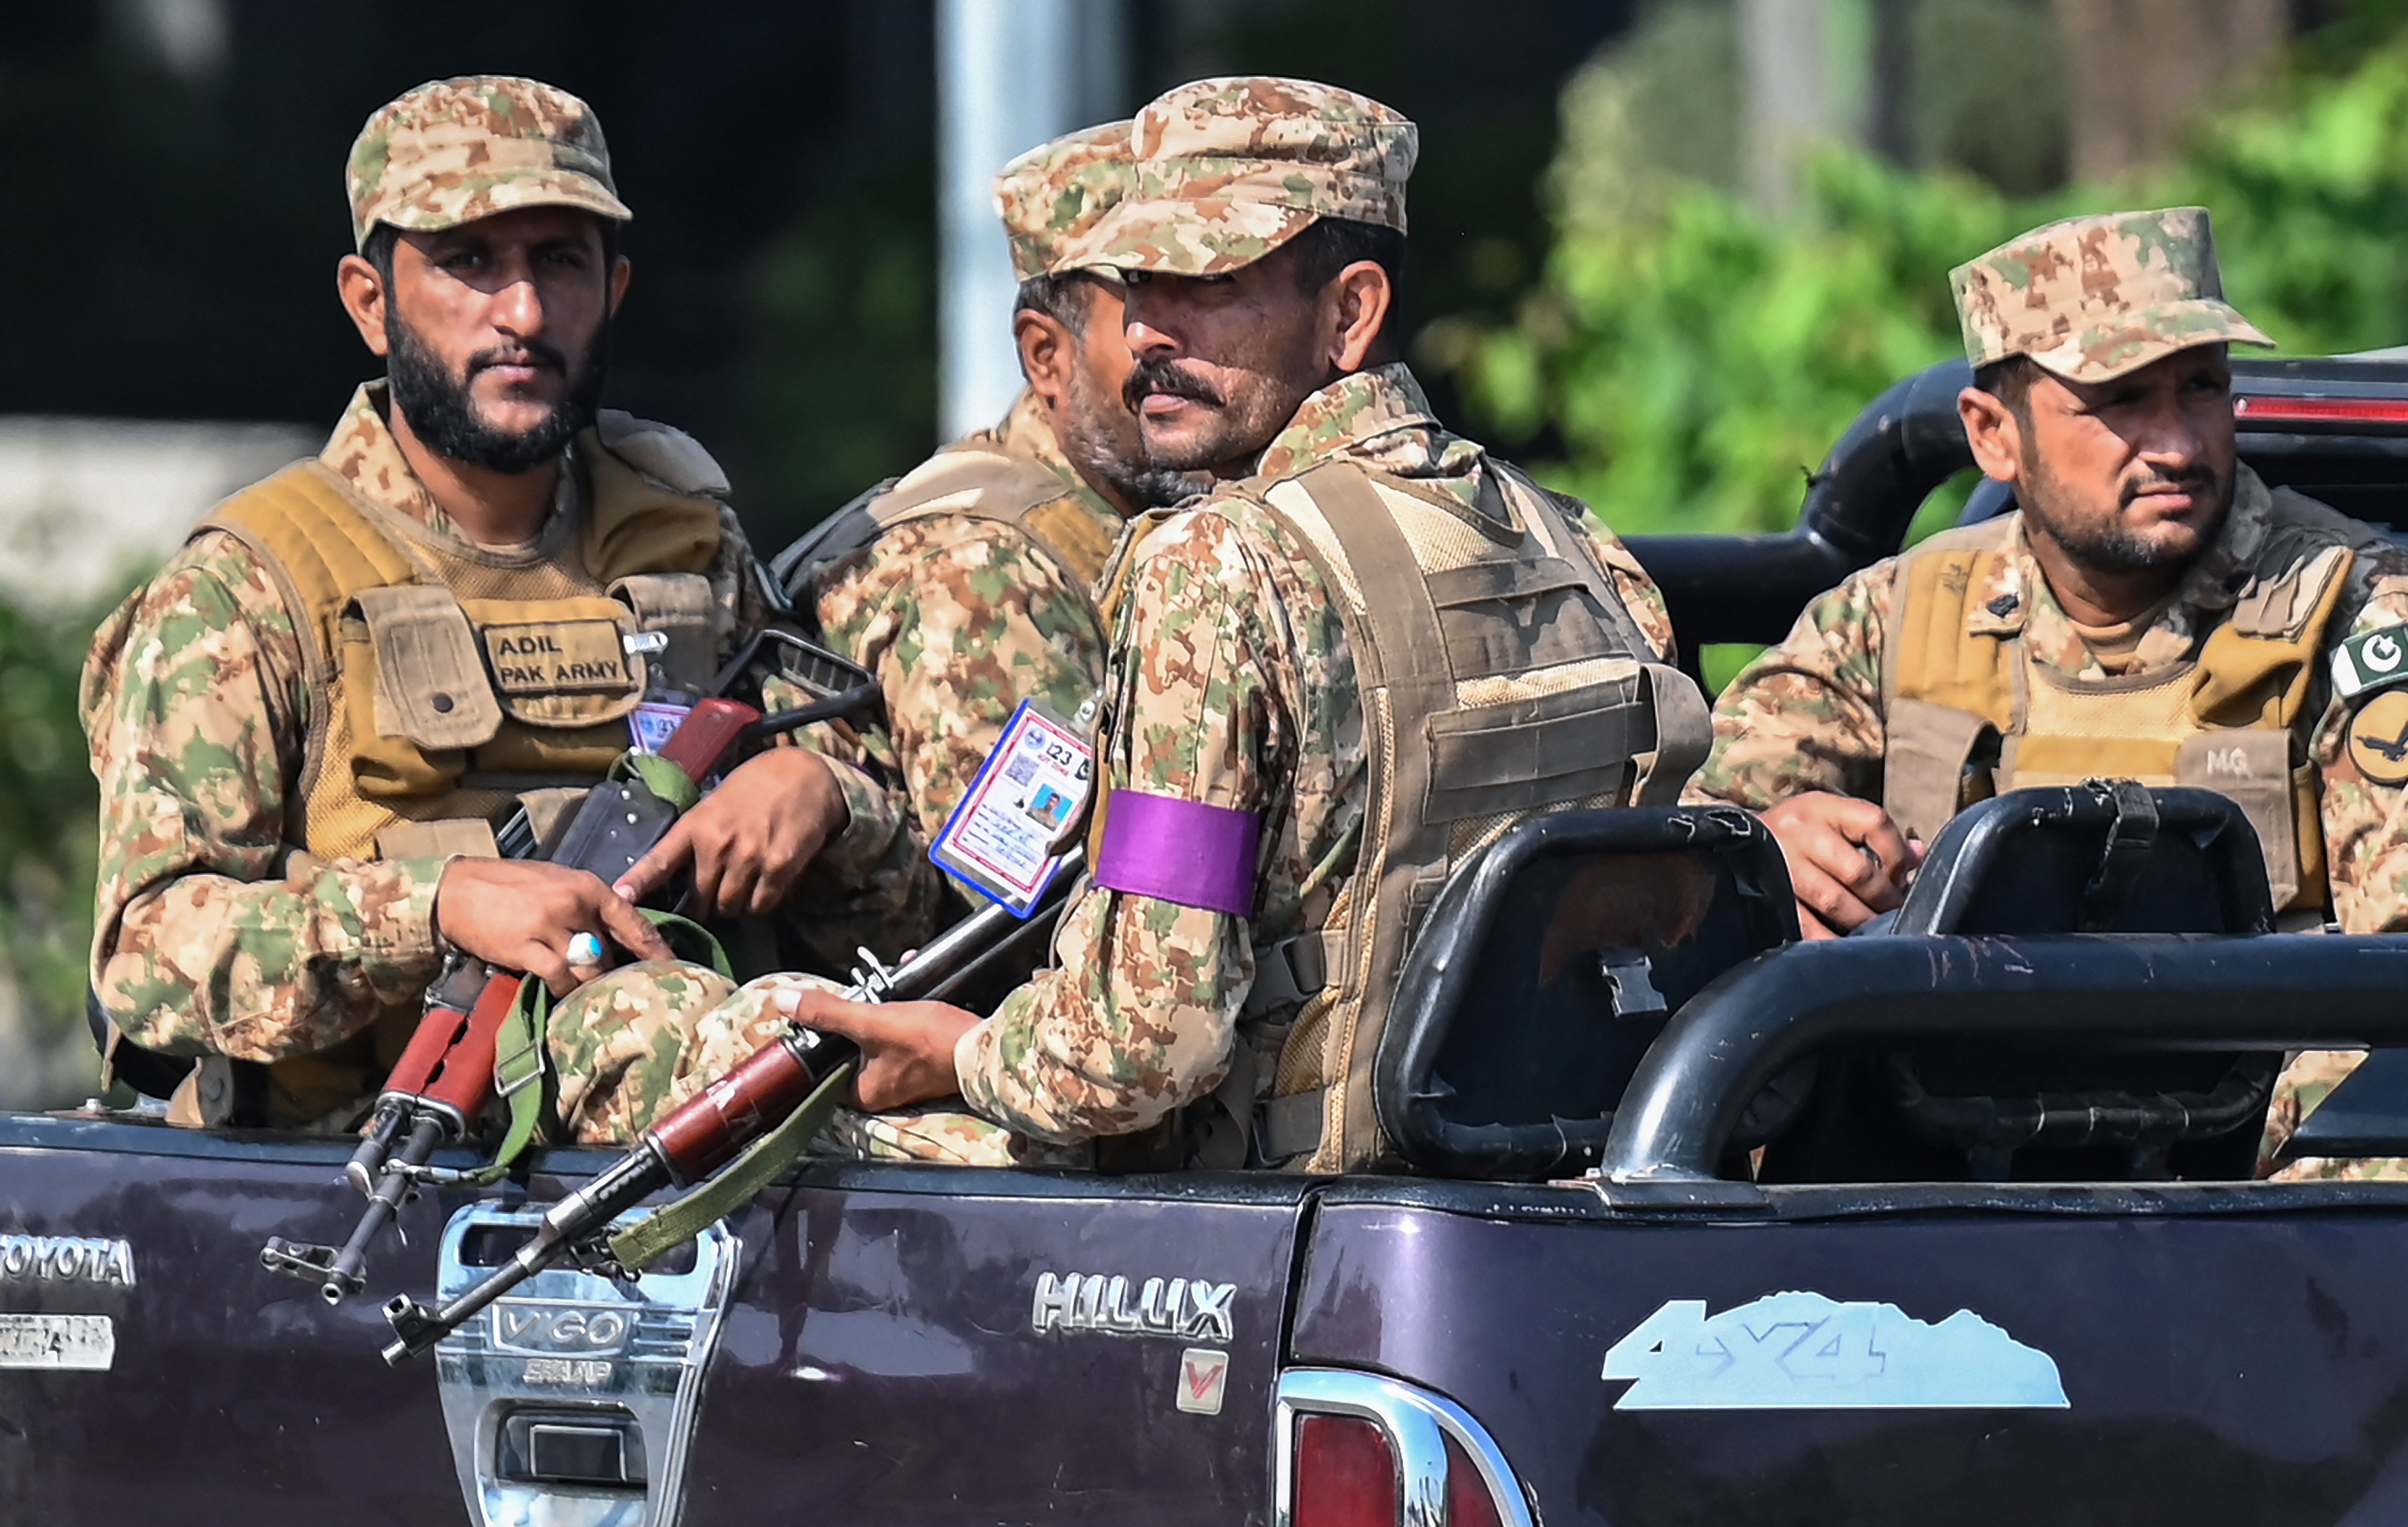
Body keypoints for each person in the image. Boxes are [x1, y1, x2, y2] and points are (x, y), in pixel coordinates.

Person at [612, 76, 1712, 1172]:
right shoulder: (1568, 539)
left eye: (1207, 283)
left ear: (1350, 312)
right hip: (1532, 1187)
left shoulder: (1216, 564)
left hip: (1261, 1217)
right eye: (1138, 283)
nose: (1146, 332)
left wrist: (963, 1054)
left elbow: (1141, 1045)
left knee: (658, 1051)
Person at [83, 75, 866, 1132]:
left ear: (615, 290)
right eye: (469, 264)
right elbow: (147, 958)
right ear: (372, 301)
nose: (526, 313)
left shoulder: (686, 544)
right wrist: (440, 904)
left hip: (693, 1128)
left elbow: (888, 882)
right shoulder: (247, 590)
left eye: (559, 261)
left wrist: (820, 792)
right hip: (369, 1174)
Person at [1690, 207, 2408, 1177]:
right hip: (1922, 1220)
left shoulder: (2368, 621)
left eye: (2201, 388)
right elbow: (1671, 879)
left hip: (2246, 1227)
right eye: (2120, 400)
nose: (2176, 442)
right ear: (1993, 436)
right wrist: (1768, 852)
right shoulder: (1894, 618)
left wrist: (2287, 1277)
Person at [685, 121, 1207, 957]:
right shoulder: (981, 573)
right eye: (1145, 308)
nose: (1186, 346)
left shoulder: (1122, 519)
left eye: (1214, 299)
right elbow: (1037, 927)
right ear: (1046, 356)